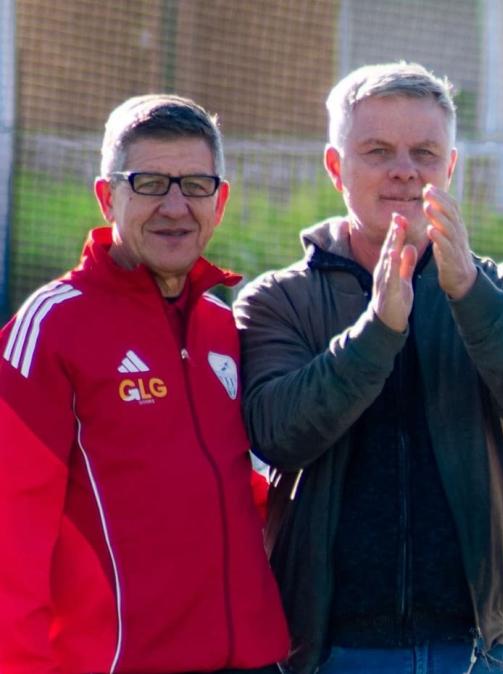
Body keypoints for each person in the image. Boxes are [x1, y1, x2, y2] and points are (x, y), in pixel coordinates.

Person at [234, 61, 503, 674]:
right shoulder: (276, 300)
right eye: (378, 151)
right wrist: (379, 331)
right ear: (336, 167)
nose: (404, 169)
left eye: (424, 151)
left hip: (483, 650)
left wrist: (468, 291)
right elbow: (278, 434)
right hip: (330, 652)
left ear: (450, 168)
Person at [0, 94, 288, 673]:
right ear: (108, 196)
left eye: (195, 185)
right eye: (150, 183)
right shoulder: (50, 326)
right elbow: (11, 534)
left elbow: (217, 486)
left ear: (221, 200)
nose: (176, 206)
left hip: (248, 661)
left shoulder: (220, 324)